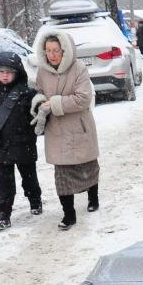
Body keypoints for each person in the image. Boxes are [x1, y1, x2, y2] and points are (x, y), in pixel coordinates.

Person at [31, 28, 101, 230]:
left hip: (79, 127)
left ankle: (92, 196)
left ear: (65, 50)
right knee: (62, 174)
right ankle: (68, 214)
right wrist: (38, 103)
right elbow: (39, 92)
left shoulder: (78, 68)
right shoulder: (43, 71)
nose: (52, 55)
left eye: (56, 50)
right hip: (57, 130)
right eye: (48, 51)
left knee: (87, 167)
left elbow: (83, 99)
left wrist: (53, 104)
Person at [0, 51, 41, 230]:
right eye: (1, 71)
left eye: (9, 72)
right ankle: (3, 213)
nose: (5, 75)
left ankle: (35, 199)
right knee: (4, 182)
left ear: (17, 72)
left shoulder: (27, 93)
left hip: (24, 144)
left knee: (29, 177)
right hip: (0, 145)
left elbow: (36, 116)